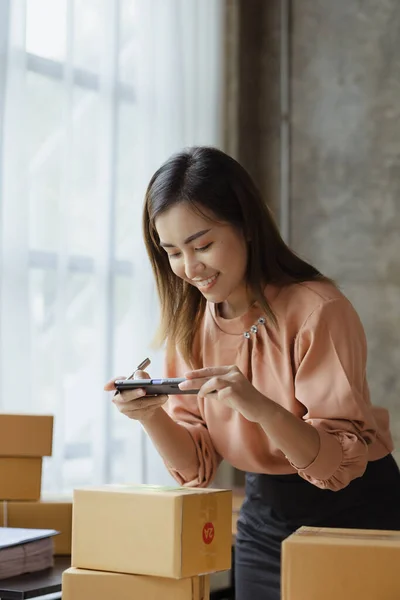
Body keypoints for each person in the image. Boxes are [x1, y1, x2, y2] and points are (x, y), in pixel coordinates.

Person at [104, 146, 400, 600]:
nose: (190, 268)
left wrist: (260, 407)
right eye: (173, 252)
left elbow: (340, 462)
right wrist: (150, 416)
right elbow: (197, 466)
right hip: (263, 520)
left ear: (246, 226)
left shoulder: (318, 310)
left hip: (353, 514)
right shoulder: (190, 324)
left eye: (202, 245)